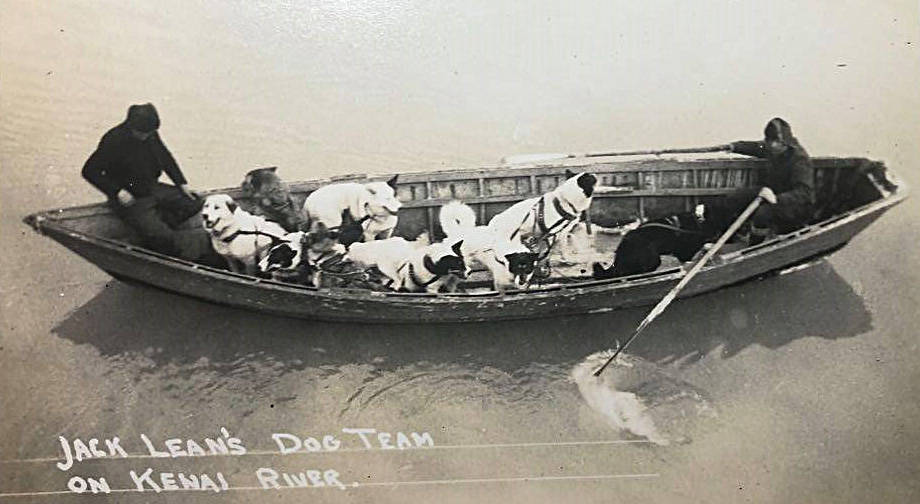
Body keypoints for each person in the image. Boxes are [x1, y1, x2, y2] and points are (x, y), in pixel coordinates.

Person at [82, 103, 213, 260]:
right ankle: (155, 232)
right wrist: (116, 191)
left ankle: (154, 225)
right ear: (131, 126)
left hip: (152, 188)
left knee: (196, 202)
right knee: (164, 238)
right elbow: (89, 171)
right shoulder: (114, 139)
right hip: (131, 197)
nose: (146, 136)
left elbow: (165, 158)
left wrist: (182, 184)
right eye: (142, 133)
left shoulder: (150, 134)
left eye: (150, 133)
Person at [726, 117, 816, 244]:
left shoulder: (799, 161)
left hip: (794, 206)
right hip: (771, 193)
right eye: (770, 141)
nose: (773, 145)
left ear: (786, 143)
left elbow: (805, 194)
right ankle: (729, 237)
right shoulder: (772, 148)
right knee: (735, 197)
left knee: (763, 213)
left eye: (778, 142)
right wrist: (734, 147)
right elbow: (755, 147)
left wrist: (777, 199)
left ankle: (754, 246)